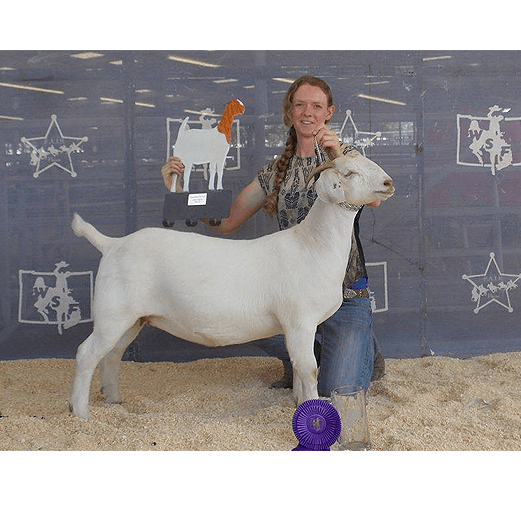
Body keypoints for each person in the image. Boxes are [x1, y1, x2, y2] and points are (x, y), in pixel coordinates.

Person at [161, 75, 385, 396]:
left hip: (345, 295)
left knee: (335, 390)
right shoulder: (273, 173)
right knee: (240, 314)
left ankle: (364, 346)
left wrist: (337, 154)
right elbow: (226, 221)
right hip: (290, 294)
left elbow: (375, 197)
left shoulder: (346, 158)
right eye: (300, 105)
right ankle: (312, 353)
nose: (308, 113)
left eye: (316, 106)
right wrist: (178, 190)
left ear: (329, 112)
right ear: (289, 112)